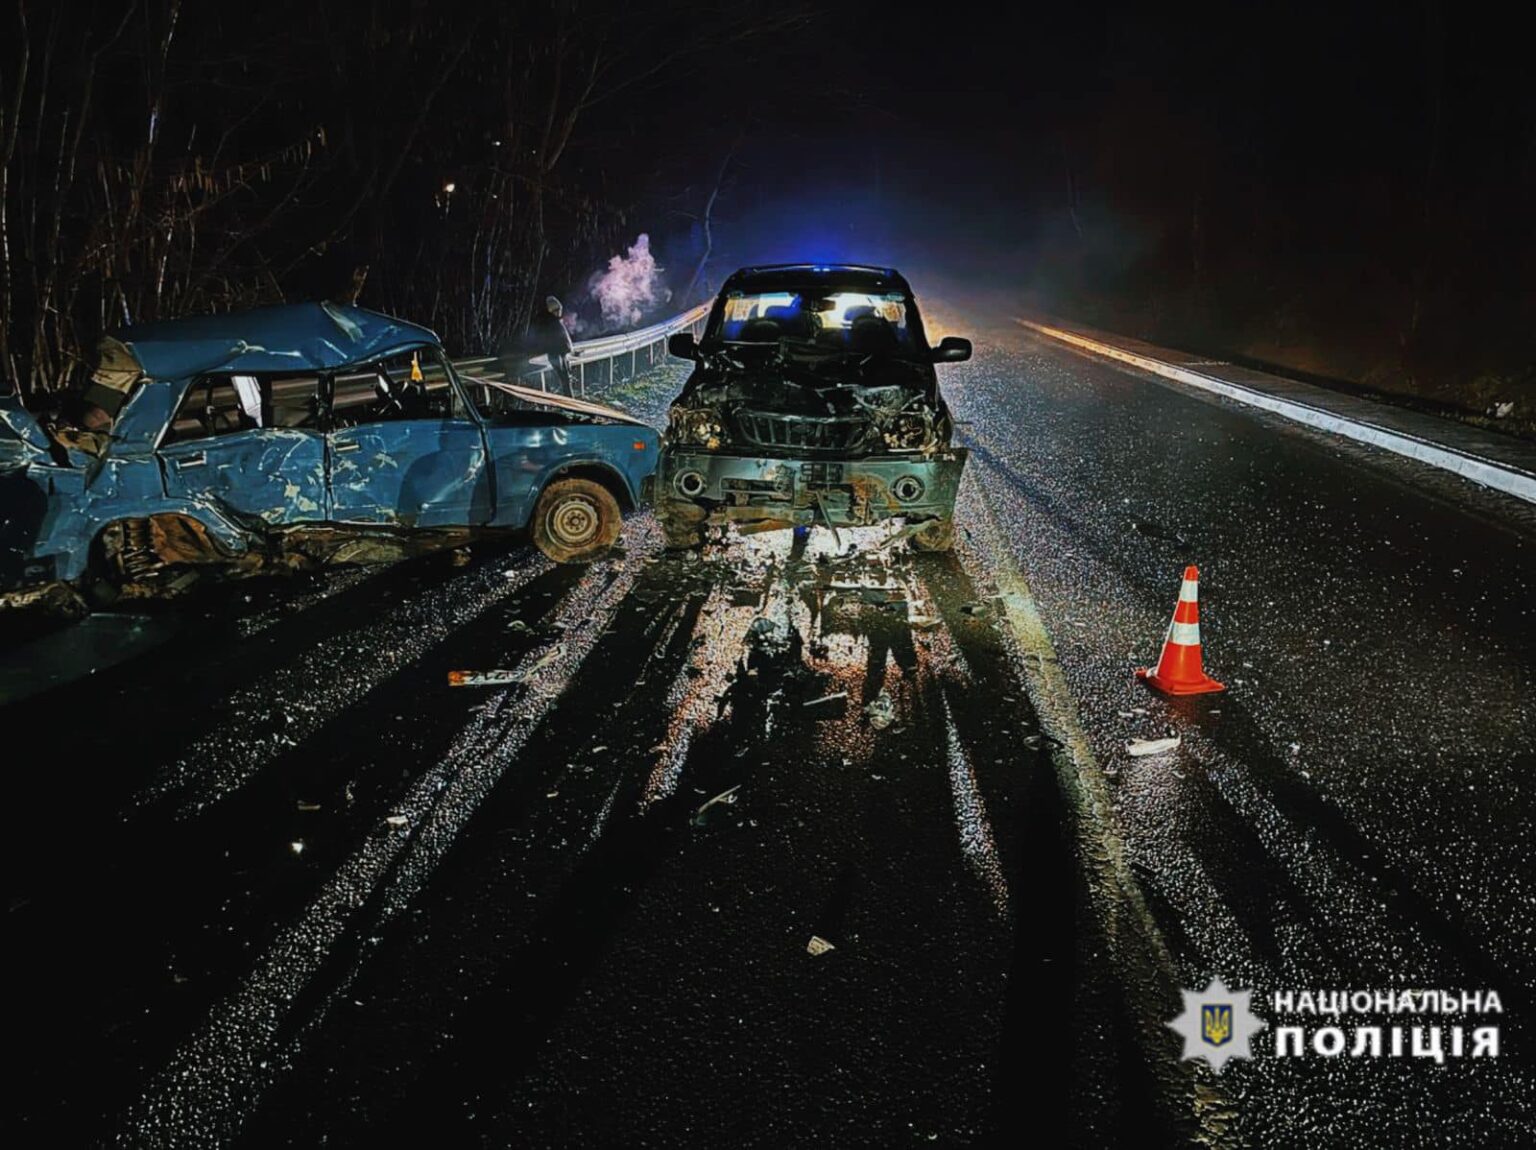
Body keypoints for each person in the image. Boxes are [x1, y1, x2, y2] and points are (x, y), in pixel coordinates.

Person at [530, 295, 575, 395]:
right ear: (553, 310)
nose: (560, 311)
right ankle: (569, 401)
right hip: (556, 354)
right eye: (558, 309)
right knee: (565, 380)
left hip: (560, 354)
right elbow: (555, 340)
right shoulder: (552, 323)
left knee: (566, 380)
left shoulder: (555, 321)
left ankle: (569, 401)